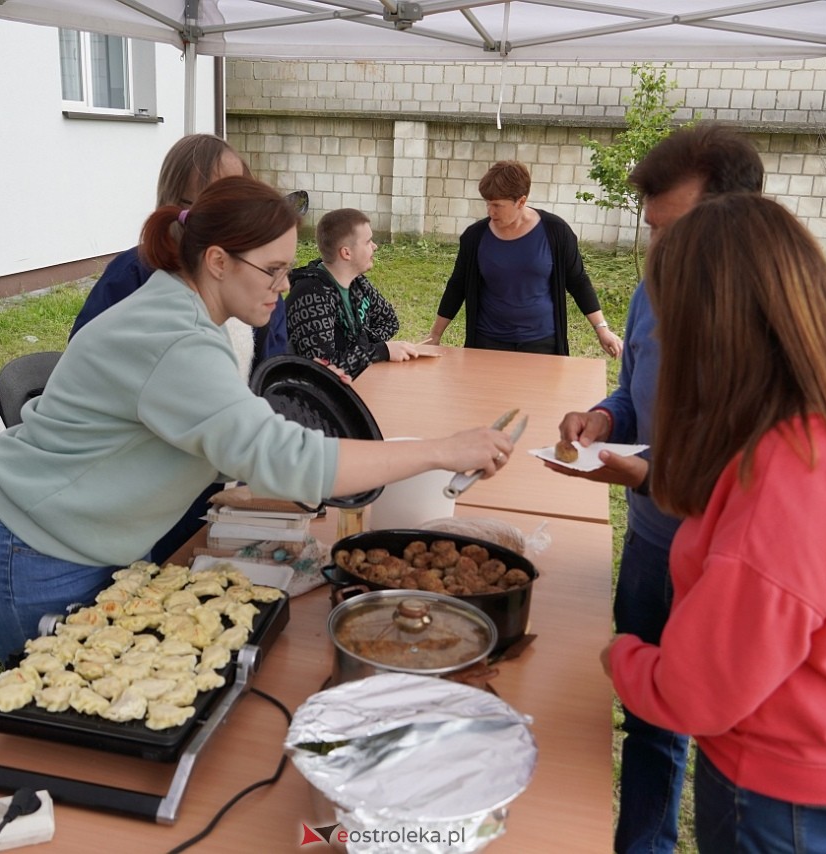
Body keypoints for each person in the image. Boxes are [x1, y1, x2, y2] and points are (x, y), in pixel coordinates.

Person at [0, 176, 517, 662]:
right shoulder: (174, 339)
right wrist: (443, 450)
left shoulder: (186, 311)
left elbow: (242, 431)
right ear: (218, 261)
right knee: (48, 718)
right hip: (36, 546)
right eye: (273, 270)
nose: (286, 284)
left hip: (88, 534)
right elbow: (286, 457)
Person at [596, 193, 826, 851]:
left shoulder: (790, 469)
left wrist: (618, 655)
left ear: (712, 329)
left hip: (785, 774)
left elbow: (700, 694)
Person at [554, 124, 766, 853]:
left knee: (728, 743)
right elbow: (634, 391)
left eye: (675, 233)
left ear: (736, 221)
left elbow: (764, 481)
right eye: (653, 232)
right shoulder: (652, 292)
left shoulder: (779, 317)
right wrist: (604, 416)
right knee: (649, 725)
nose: (659, 253)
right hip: (652, 546)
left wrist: (646, 474)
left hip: (730, 572)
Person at [69, 133, 288, 565]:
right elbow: (92, 375)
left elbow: (275, 370)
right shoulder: (137, 276)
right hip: (142, 486)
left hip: (220, 475)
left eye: (236, 197)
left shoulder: (257, 278)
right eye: (210, 203)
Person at [70, 133, 289, 368]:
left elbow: (272, 367)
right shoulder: (133, 273)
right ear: (177, 205)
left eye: (240, 200)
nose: (234, 215)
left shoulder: (257, 275)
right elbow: (85, 359)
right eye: (217, 204)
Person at [426, 160, 622, 358]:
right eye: (487, 203)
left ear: (521, 201)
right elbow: (457, 286)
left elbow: (578, 282)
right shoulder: (475, 237)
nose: (490, 211)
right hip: (488, 342)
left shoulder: (556, 232)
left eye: (497, 205)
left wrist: (602, 329)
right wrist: (435, 335)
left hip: (542, 343)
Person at [285, 209, 418, 379]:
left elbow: (390, 321)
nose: (375, 246)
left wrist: (360, 349)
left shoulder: (357, 283)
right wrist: (379, 351)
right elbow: (323, 367)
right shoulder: (311, 295)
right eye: (368, 241)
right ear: (346, 252)